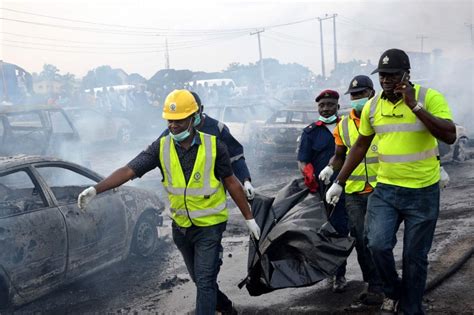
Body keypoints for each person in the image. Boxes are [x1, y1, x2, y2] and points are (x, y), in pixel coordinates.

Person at [77, 89, 261, 315]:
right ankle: (226, 309)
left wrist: (249, 218)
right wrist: (96, 189)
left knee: (204, 281)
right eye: (170, 120)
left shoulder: (215, 146)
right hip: (181, 228)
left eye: (179, 121)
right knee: (201, 281)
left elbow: (231, 183)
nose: (173, 125)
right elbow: (129, 169)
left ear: (193, 118)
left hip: (210, 228)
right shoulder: (160, 147)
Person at [325, 49, 456, 314]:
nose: (386, 80)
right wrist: (339, 180)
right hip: (386, 190)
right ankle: (394, 291)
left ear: (407, 74)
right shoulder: (374, 106)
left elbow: (449, 135)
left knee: (414, 258)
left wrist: (415, 106)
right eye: (382, 75)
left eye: (392, 75)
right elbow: (361, 145)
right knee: (376, 244)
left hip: (422, 191)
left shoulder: (429, 97)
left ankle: (411, 308)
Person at [319, 75, 384, 308]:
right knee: (360, 240)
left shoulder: (382, 118)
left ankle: (383, 283)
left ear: (371, 93)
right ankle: (374, 284)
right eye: (354, 95)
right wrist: (330, 168)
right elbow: (339, 155)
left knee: (376, 239)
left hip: (381, 190)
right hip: (355, 193)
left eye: (361, 94)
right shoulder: (344, 124)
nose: (357, 99)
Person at [297, 89, 349, 293]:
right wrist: (307, 173)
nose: (326, 109)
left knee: (353, 232)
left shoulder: (347, 125)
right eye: (322, 105)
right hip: (324, 191)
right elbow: (303, 160)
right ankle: (337, 273)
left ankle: (371, 280)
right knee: (331, 231)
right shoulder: (310, 132)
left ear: (338, 106)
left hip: (351, 187)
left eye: (329, 105)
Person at [160, 91, 256, 200]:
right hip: (183, 200)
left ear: (201, 109)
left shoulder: (217, 129)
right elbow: (152, 154)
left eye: (194, 112)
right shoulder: (173, 132)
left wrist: (245, 180)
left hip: (213, 201)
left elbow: (235, 157)